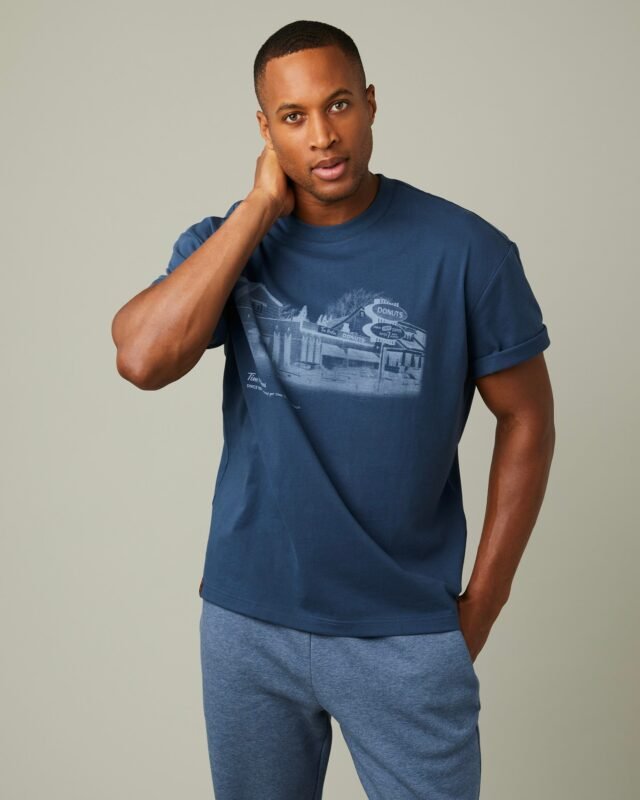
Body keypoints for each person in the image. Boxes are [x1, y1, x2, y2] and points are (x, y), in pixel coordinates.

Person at [111, 19, 555, 800]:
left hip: (404, 633)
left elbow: (528, 419)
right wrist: (258, 208)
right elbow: (142, 359)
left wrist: (483, 604)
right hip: (249, 626)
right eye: (294, 116)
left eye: (339, 104)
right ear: (265, 130)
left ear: (371, 104)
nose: (322, 135)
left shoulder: (467, 252)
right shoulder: (227, 245)